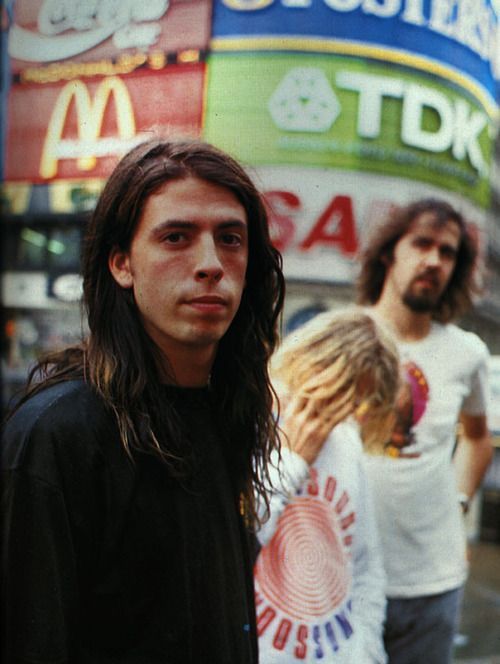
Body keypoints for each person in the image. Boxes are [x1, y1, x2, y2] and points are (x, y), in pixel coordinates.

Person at [1, 139, 285, 663]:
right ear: (121, 263)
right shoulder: (58, 434)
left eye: (230, 238)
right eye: (176, 237)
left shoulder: (231, 411)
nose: (210, 264)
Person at [356, 198, 493, 664]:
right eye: (421, 243)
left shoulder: (467, 352)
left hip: (433, 583)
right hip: (346, 578)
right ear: (389, 251)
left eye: (448, 252)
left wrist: (459, 503)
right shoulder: (344, 336)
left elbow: (477, 437)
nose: (433, 260)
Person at [254, 308, 400, 663]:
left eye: (362, 401)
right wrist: (293, 462)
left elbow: (366, 565)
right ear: (311, 364)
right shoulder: (252, 426)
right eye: (343, 391)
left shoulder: (347, 440)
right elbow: (239, 539)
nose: (351, 410)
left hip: (338, 651)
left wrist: (366, 653)